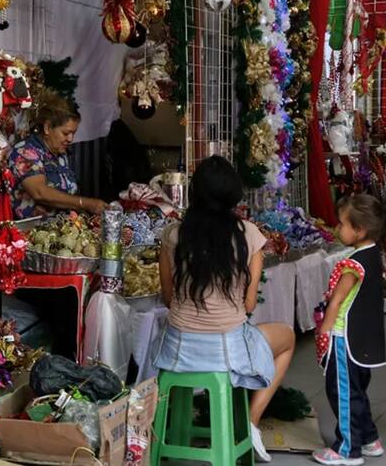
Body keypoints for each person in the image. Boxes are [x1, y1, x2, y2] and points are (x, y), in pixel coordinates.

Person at [153, 156, 295, 463]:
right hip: (228, 352)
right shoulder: (249, 235)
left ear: (195, 192)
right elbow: (248, 304)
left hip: (177, 349)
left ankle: (174, 438)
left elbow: (167, 298)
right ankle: (252, 422)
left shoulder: (174, 234)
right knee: (287, 338)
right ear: (234, 194)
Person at [312, 194, 386, 466]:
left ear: (359, 230)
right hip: (363, 341)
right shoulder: (373, 255)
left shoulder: (351, 265)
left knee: (342, 392)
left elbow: (337, 300)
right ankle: (369, 438)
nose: (336, 228)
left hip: (344, 338)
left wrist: (324, 330)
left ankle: (347, 449)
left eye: (341, 224)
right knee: (356, 390)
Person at [8, 91, 107, 219]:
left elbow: (67, 197)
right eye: (66, 133)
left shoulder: (59, 153)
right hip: (33, 232)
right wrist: (85, 203)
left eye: (73, 133)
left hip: (63, 230)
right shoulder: (25, 152)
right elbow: (39, 192)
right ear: (47, 128)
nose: (71, 139)